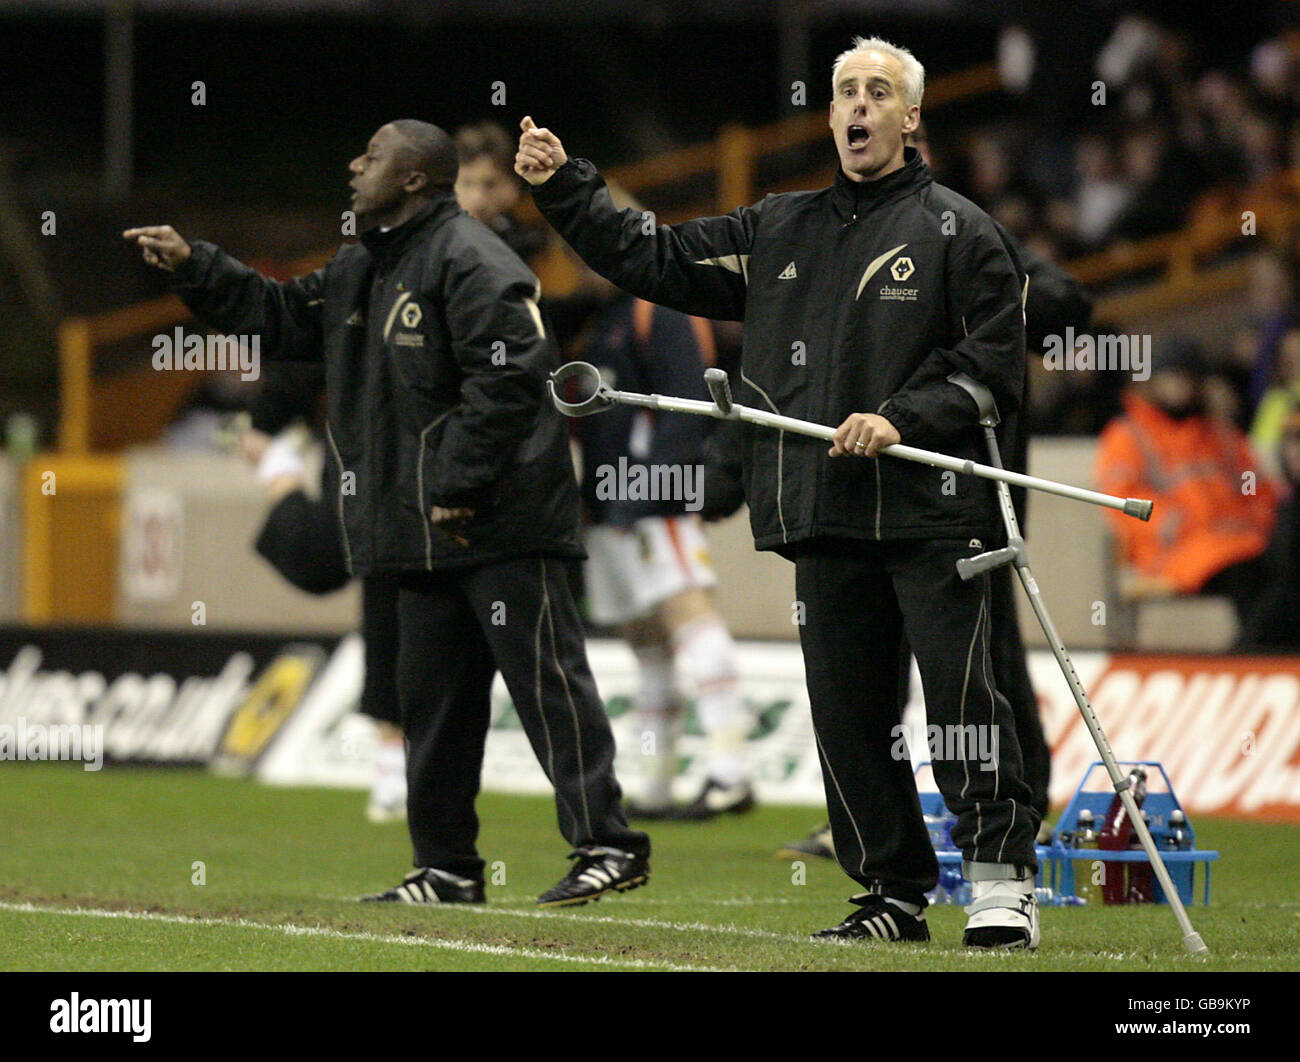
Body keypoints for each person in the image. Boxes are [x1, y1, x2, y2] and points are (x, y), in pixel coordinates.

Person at [519, 36, 1042, 948]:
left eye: (879, 93)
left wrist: (902, 418)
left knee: (967, 707)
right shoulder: (778, 228)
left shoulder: (963, 231)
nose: (859, 107)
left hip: (936, 515)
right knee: (848, 719)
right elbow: (661, 259)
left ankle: (1001, 885)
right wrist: (569, 186)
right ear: (831, 112)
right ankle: (892, 894)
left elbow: (994, 367)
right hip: (822, 513)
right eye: (846, 92)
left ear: (911, 117)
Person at [125, 119, 650, 908]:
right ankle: (445, 867)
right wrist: (196, 268)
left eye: (370, 155)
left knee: (548, 686)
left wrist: (456, 485)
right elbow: (277, 315)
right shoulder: (359, 268)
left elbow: (509, 380)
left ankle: (609, 844)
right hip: (420, 532)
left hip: (502, 524)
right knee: (431, 705)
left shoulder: (473, 258)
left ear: (413, 179)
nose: (353, 163)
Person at [572, 278, 756, 820]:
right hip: (609, 501)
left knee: (688, 611)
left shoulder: (662, 310)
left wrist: (652, 491)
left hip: (653, 498)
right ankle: (655, 783)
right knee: (646, 640)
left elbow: (687, 406)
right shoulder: (604, 317)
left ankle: (731, 771)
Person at [240, 364, 407, 823]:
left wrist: (266, 424)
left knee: (393, 590)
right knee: (378, 584)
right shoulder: (353, 302)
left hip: (425, 453)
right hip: (381, 458)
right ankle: (393, 767)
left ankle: (400, 769)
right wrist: (268, 420)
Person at [1095, 333, 1279, 627]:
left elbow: (1258, 487)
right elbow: (1122, 500)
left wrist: (1261, 522)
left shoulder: (1220, 433)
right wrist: (1174, 523)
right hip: (1175, 552)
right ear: (1150, 380)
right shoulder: (1128, 436)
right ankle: (1255, 660)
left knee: (1279, 575)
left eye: (1189, 377)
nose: (1183, 386)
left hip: (1238, 543)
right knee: (1250, 581)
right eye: (1173, 376)